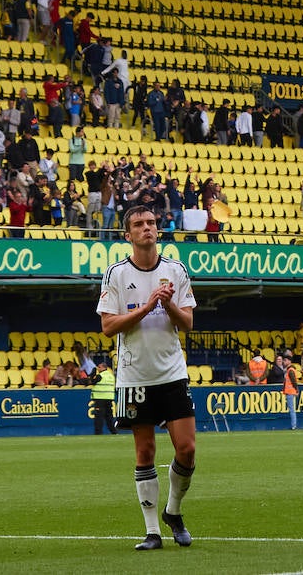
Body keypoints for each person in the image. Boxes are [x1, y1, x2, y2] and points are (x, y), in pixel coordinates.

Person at [98, 206, 197, 551]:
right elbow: (108, 327)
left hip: (172, 373)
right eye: (139, 225)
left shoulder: (176, 270)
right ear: (128, 235)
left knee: (187, 449)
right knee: (146, 451)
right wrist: (147, 305)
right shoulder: (116, 274)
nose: (147, 229)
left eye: (151, 223)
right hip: (133, 376)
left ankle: (174, 511)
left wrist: (167, 305)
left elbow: (187, 324)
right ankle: (152, 531)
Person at [91, 359, 117, 435]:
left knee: (99, 417)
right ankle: (114, 431)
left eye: (99, 367)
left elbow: (92, 382)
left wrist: (92, 375)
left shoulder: (100, 376)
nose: (98, 369)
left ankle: (98, 433)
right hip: (109, 398)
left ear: (103, 368)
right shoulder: (111, 376)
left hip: (100, 399)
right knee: (109, 417)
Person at [283, 349, 301, 430]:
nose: (284, 362)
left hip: (290, 392)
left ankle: (294, 425)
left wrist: (297, 390)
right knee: (292, 409)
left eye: (285, 360)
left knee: (291, 409)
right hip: (290, 391)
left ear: (289, 361)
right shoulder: (290, 370)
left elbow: (294, 381)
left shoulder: (290, 370)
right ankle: (294, 424)